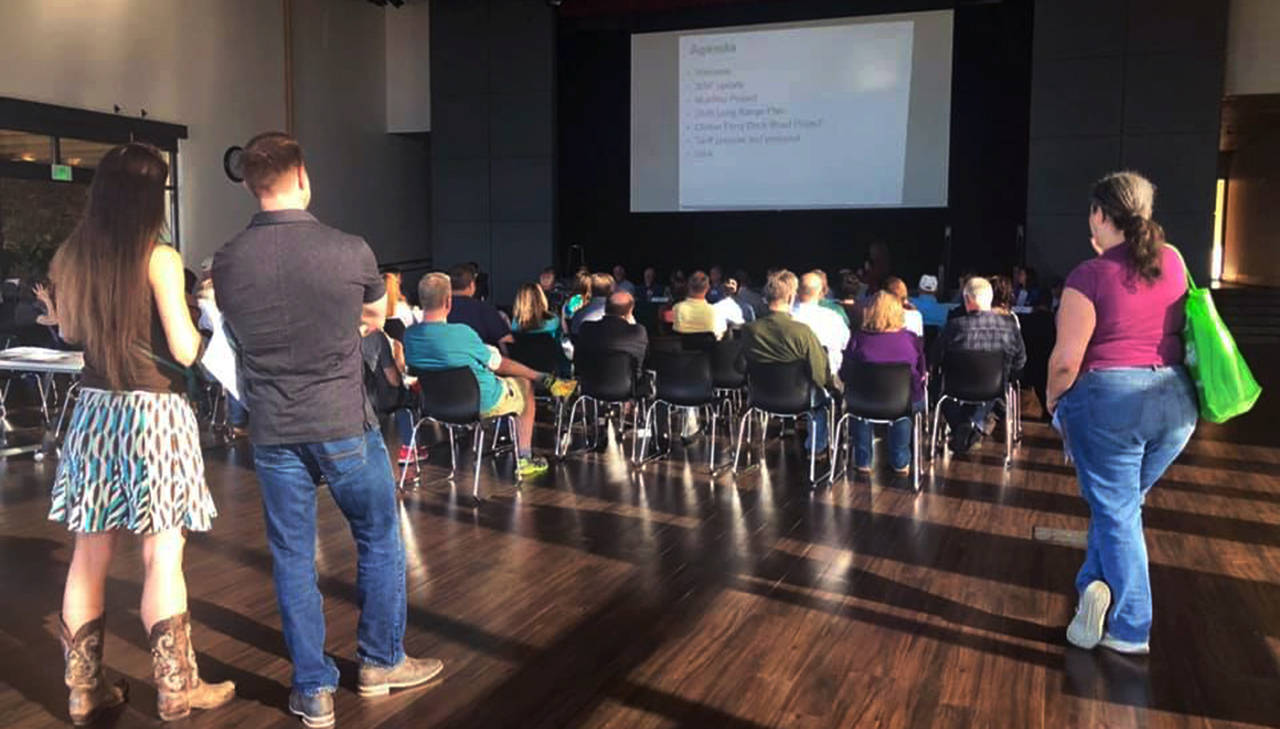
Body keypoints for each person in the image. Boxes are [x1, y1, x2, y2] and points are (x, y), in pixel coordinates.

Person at [214, 132, 440, 728]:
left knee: (292, 556)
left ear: (250, 183)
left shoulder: (228, 260)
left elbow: (235, 332)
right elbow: (373, 318)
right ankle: (379, 662)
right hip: (343, 421)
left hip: (273, 430)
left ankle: (313, 690)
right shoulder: (351, 251)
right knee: (378, 537)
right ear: (302, 176)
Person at [47, 143, 233, 723]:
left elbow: (72, 331)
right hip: (155, 416)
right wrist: (207, 319)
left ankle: (83, 690)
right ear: (152, 196)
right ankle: (176, 688)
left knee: (88, 554)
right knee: (162, 555)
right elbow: (182, 349)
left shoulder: (71, 255)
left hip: (95, 413)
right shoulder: (158, 258)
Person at [1049, 171, 1196, 656]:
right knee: (1120, 510)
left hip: (1111, 403)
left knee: (1116, 511)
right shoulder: (1172, 261)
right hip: (1175, 404)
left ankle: (1131, 627)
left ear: (1098, 214)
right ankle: (1093, 586)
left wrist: (1055, 404)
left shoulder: (1086, 278)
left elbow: (1067, 360)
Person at [404, 273, 575, 476]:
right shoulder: (462, 333)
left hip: (434, 406)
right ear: (448, 302)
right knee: (524, 385)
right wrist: (536, 376)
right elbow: (498, 364)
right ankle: (525, 458)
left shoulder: (410, 336)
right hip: (483, 402)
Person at [931, 276, 1027, 453]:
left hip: (956, 388)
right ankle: (971, 425)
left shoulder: (954, 327)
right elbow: (1020, 361)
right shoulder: (1010, 327)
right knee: (999, 392)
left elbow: (935, 359)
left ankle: (962, 426)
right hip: (994, 390)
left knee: (935, 384)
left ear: (967, 300)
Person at [741, 270, 830, 455]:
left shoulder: (750, 330)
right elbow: (819, 374)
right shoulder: (803, 332)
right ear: (791, 297)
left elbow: (739, 366)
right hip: (799, 400)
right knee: (822, 401)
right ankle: (816, 450)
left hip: (760, 398)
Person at [839, 291, 927, 475]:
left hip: (862, 403)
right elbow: (920, 375)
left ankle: (863, 461)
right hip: (901, 404)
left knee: (859, 406)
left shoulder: (858, 339)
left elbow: (845, 373)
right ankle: (900, 460)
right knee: (907, 403)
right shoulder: (910, 340)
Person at [791, 271, 850, 381]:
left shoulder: (787, 317)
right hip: (827, 380)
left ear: (797, 290)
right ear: (820, 293)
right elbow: (845, 344)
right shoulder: (834, 318)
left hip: (790, 382)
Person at [576, 291, 649, 378]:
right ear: (630, 311)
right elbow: (645, 359)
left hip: (589, 384)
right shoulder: (638, 332)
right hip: (628, 386)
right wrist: (632, 323)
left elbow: (577, 359)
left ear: (605, 308)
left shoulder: (586, 328)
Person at [447, 264, 511, 347]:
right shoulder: (485, 310)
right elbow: (506, 343)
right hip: (477, 358)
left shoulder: (437, 309)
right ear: (472, 285)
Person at [672, 271, 725, 339]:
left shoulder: (677, 308)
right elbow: (719, 336)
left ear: (688, 286)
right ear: (708, 288)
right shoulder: (716, 311)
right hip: (708, 348)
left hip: (684, 348)